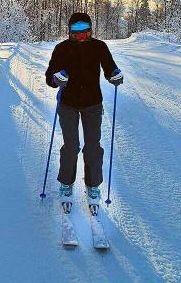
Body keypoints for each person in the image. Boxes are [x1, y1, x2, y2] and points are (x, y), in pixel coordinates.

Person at [44, 12, 123, 215]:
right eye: (76, 34)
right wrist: (56, 79)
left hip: (92, 104)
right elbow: (49, 77)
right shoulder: (61, 49)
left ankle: (93, 185)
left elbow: (109, 68)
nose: (81, 38)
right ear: (69, 32)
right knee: (71, 146)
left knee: (92, 146)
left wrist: (115, 75)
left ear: (90, 32)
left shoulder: (99, 47)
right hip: (68, 104)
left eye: (85, 34)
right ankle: (66, 183)